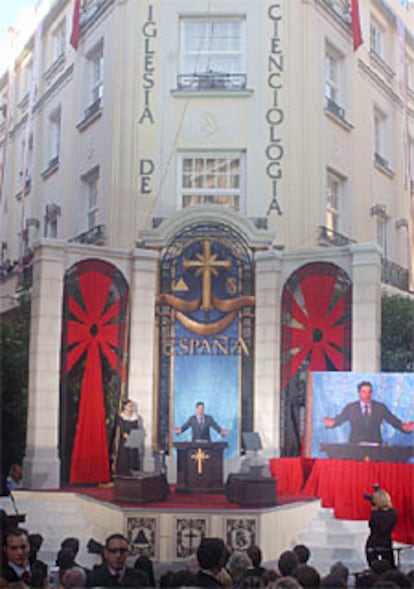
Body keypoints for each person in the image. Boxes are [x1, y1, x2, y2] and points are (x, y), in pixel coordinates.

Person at [323, 381, 414, 444]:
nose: (367, 395)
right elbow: (340, 419)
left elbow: (393, 420)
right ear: (359, 393)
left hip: (375, 446)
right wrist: (332, 423)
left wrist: (404, 427)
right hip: (355, 447)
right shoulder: (351, 408)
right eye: (364, 392)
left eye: (369, 392)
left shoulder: (380, 407)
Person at [365, 489, 397, 568]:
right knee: (390, 566)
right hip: (387, 542)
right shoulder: (393, 513)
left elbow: (373, 526)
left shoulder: (375, 514)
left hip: (374, 542)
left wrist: (374, 511)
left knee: (374, 567)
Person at [116, 400, 145, 475]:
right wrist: (126, 436)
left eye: (131, 406)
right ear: (125, 407)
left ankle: (134, 472)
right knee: (125, 457)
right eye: (129, 406)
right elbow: (122, 429)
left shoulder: (135, 417)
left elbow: (137, 427)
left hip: (133, 439)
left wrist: (137, 436)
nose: (131, 408)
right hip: (125, 441)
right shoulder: (121, 417)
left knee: (133, 456)